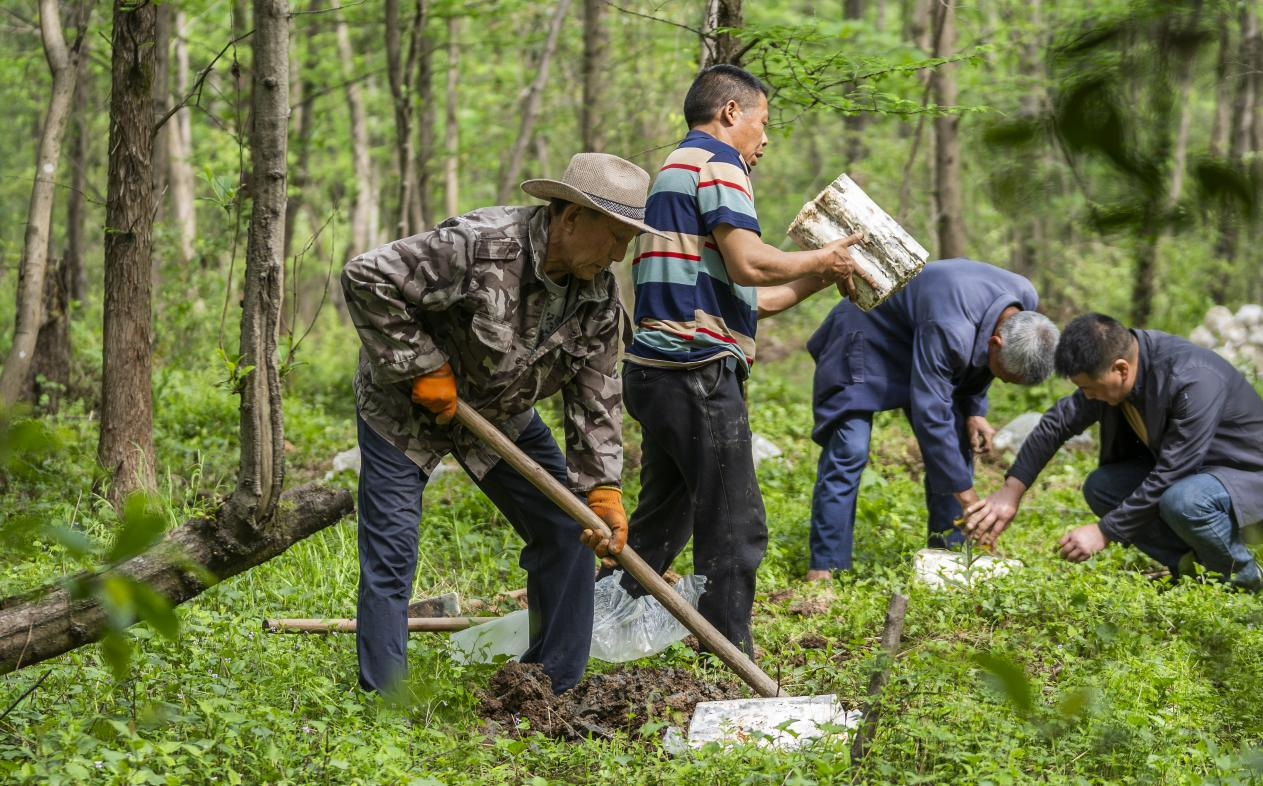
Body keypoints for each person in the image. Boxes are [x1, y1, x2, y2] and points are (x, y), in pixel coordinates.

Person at [341, 152, 660, 695]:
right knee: (392, 553)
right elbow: (367, 276)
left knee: (568, 528)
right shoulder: (481, 244)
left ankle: (548, 684)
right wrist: (423, 366)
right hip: (403, 410)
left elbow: (597, 399)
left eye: (628, 241)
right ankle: (383, 700)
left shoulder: (599, 298)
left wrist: (601, 489)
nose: (618, 254)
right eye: (613, 236)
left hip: (499, 413)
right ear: (570, 217)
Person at [598, 64, 873, 657]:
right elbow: (751, 263)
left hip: (657, 371)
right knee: (735, 522)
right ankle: (727, 656)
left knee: (661, 524)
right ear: (730, 113)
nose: (765, 139)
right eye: (763, 122)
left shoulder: (676, 169)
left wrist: (824, 275)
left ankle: (596, 624)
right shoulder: (719, 164)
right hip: (694, 372)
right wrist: (821, 255)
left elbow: (754, 294)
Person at [965, 313, 1263, 591]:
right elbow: (1057, 423)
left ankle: (1245, 583)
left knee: (1185, 501)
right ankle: (1194, 564)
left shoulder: (1192, 379)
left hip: (1245, 474)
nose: (1087, 396)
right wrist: (1011, 491)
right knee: (1103, 487)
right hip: (1193, 474)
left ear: (1121, 369)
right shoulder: (1117, 370)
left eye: (1089, 388)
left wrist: (1104, 531)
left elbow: (1174, 472)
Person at [805, 258, 1060, 580]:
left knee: (956, 443)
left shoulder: (1025, 304)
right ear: (996, 343)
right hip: (865, 335)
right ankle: (825, 566)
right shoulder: (951, 327)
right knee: (850, 449)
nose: (1005, 382)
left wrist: (974, 411)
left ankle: (949, 556)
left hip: (924, 338)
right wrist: (967, 497)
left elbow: (976, 367)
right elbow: (931, 412)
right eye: (1006, 376)